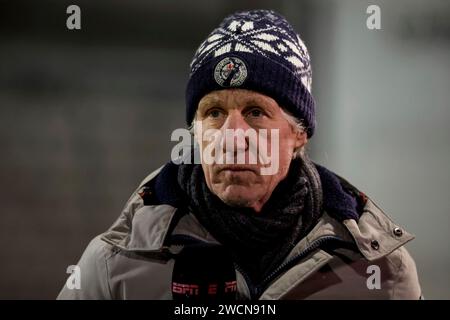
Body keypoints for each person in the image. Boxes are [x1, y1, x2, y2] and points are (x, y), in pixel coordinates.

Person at [58, 9, 422, 300]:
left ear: (298, 135)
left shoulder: (379, 271)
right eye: (214, 112)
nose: (232, 136)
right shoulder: (115, 266)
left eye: (255, 112)